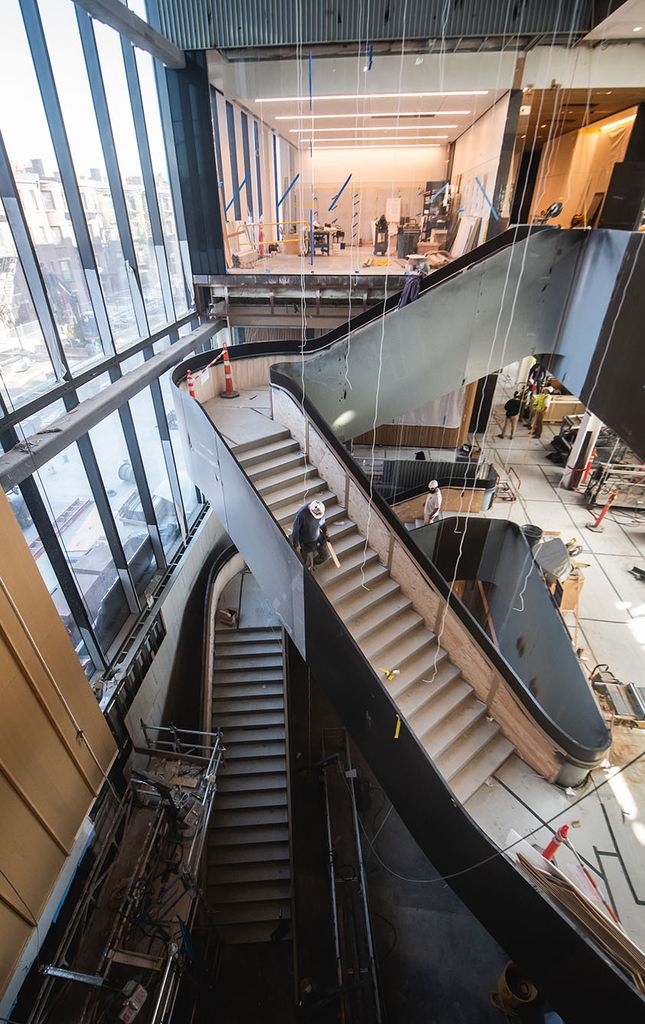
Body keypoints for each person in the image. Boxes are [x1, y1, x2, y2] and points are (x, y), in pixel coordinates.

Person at [291, 499, 329, 570]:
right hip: (306, 541)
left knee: (324, 556)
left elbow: (322, 522)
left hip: (317, 536)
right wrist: (296, 545)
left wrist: (325, 531)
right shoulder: (301, 515)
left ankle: (313, 563)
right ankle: (308, 567)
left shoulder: (319, 510)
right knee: (306, 561)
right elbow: (295, 531)